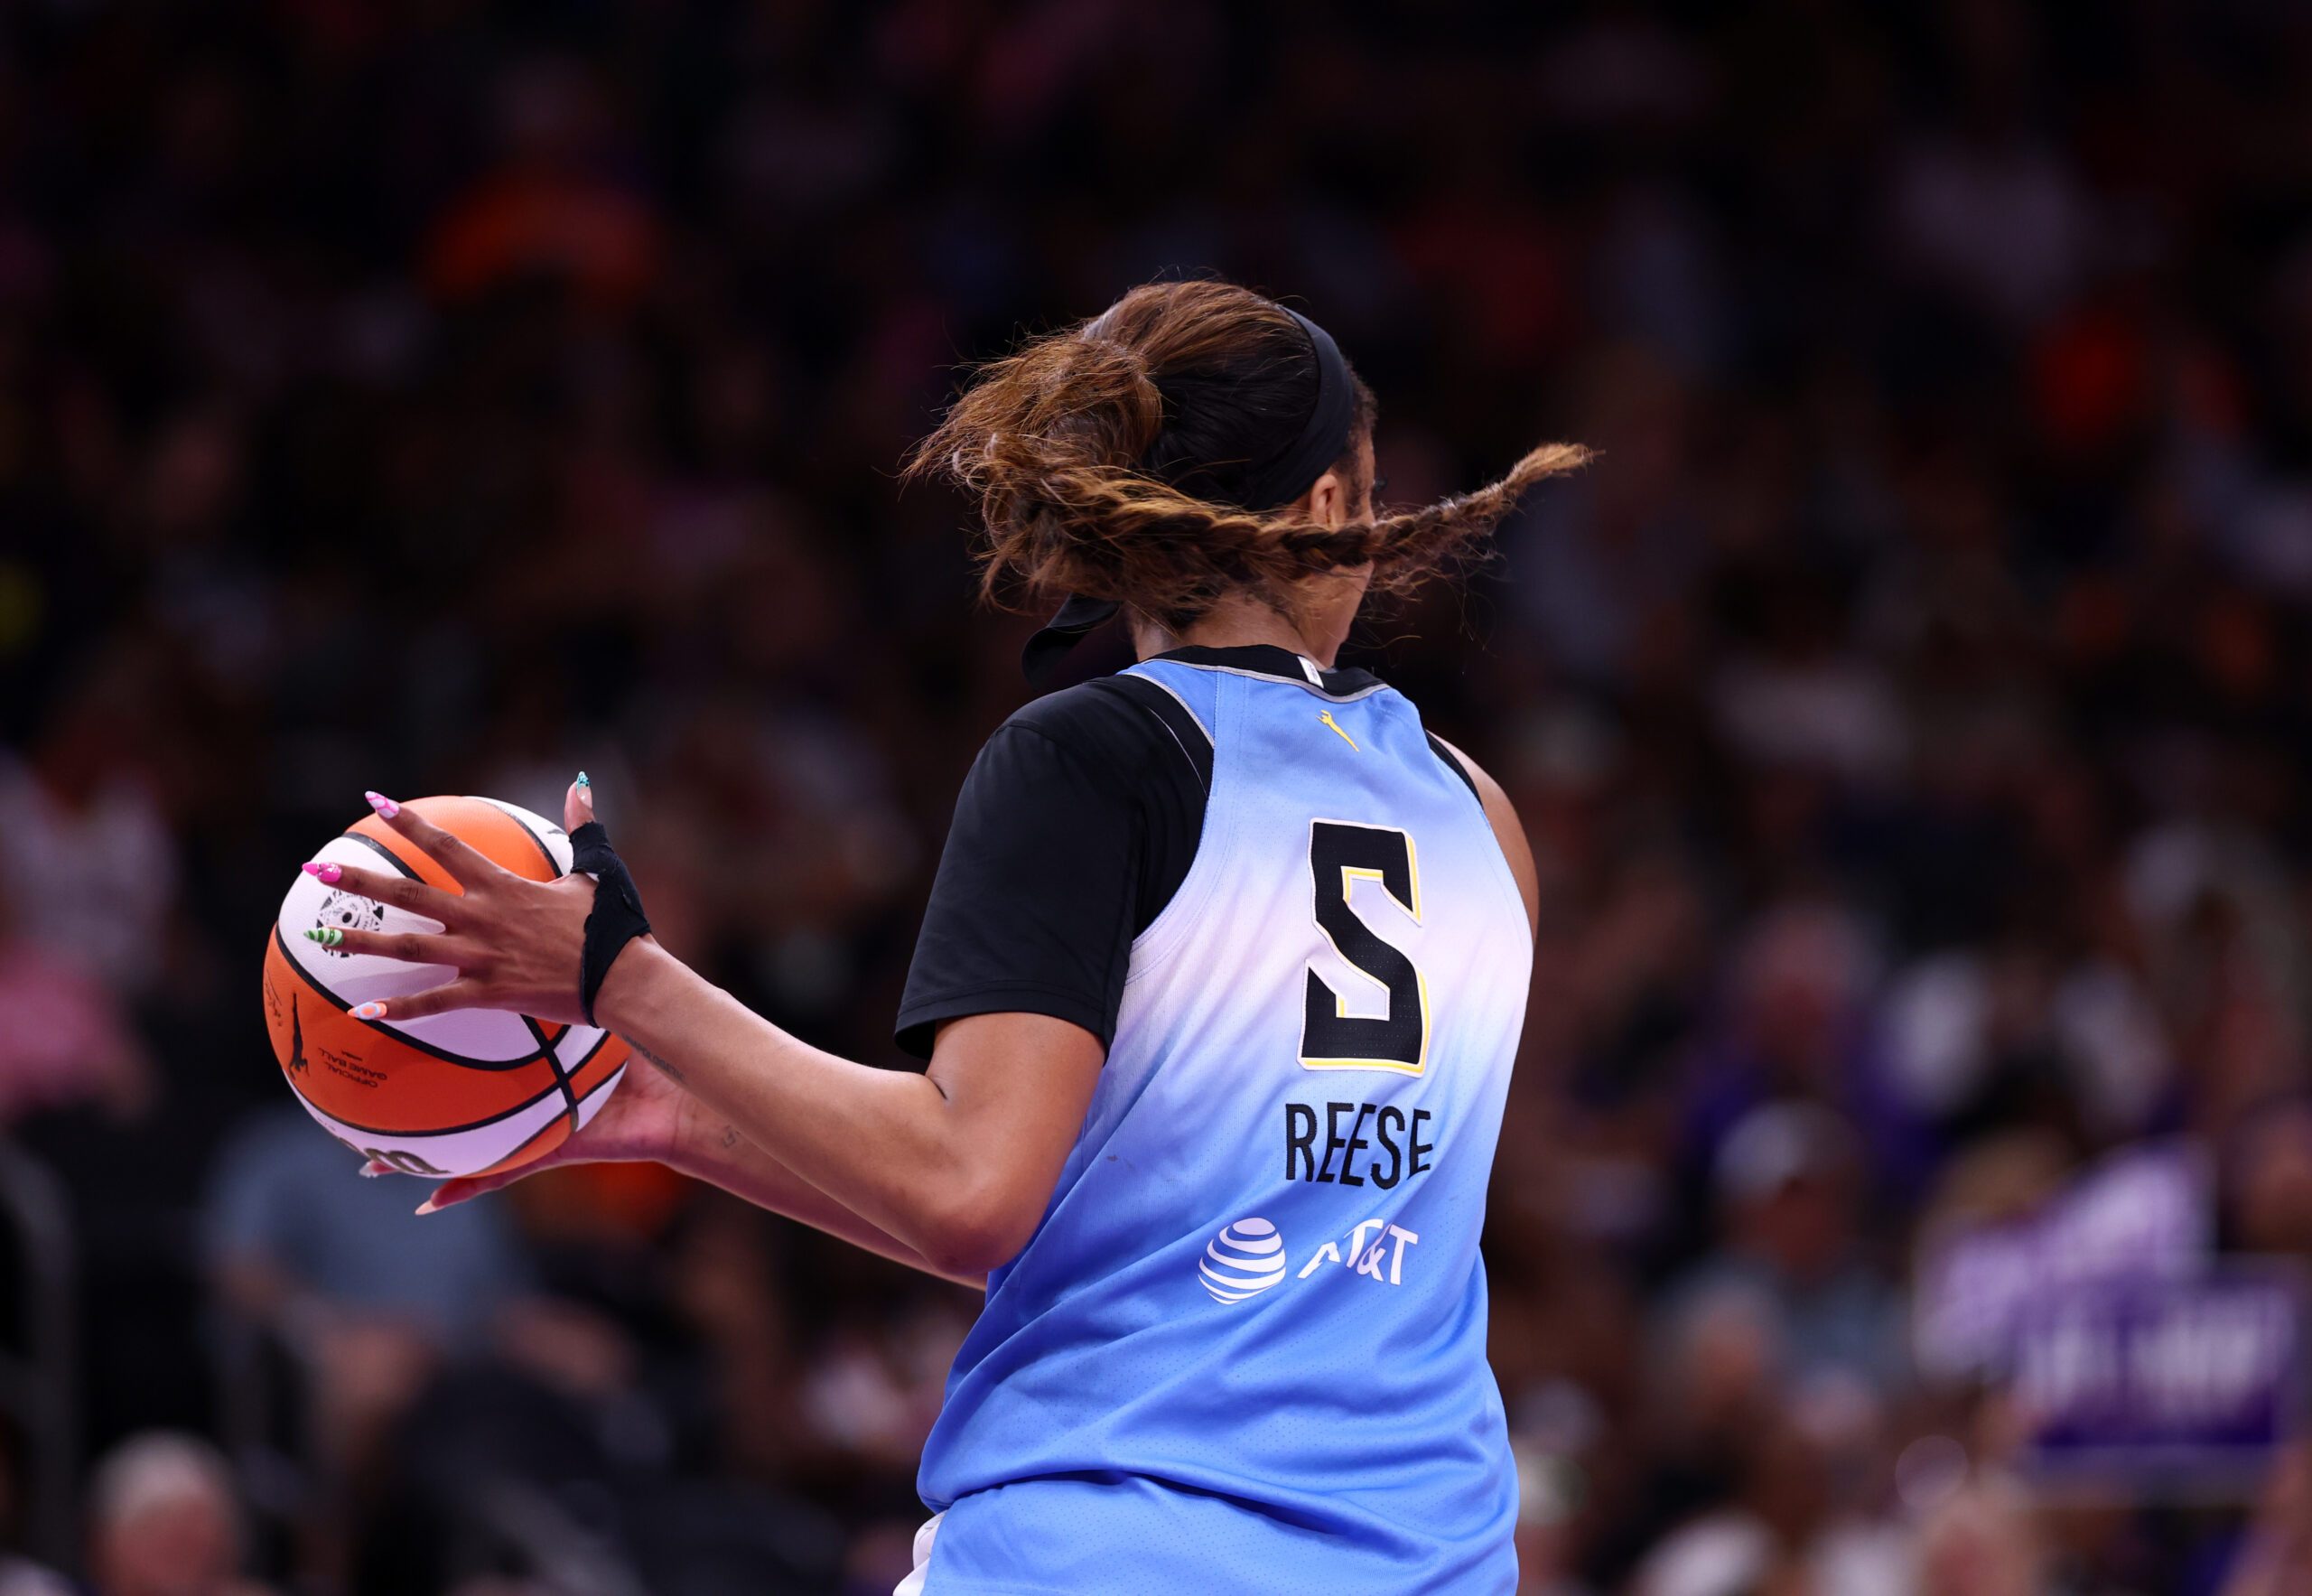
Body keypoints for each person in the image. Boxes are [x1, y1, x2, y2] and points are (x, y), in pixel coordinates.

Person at [307, 277, 1584, 1591]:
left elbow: (970, 1193)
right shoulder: (1480, 814)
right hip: (1429, 1561)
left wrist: (620, 977)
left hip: (1117, 1548)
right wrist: (672, 1114)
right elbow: (1117, 1226)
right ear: (1323, 505)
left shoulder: (1101, 758)